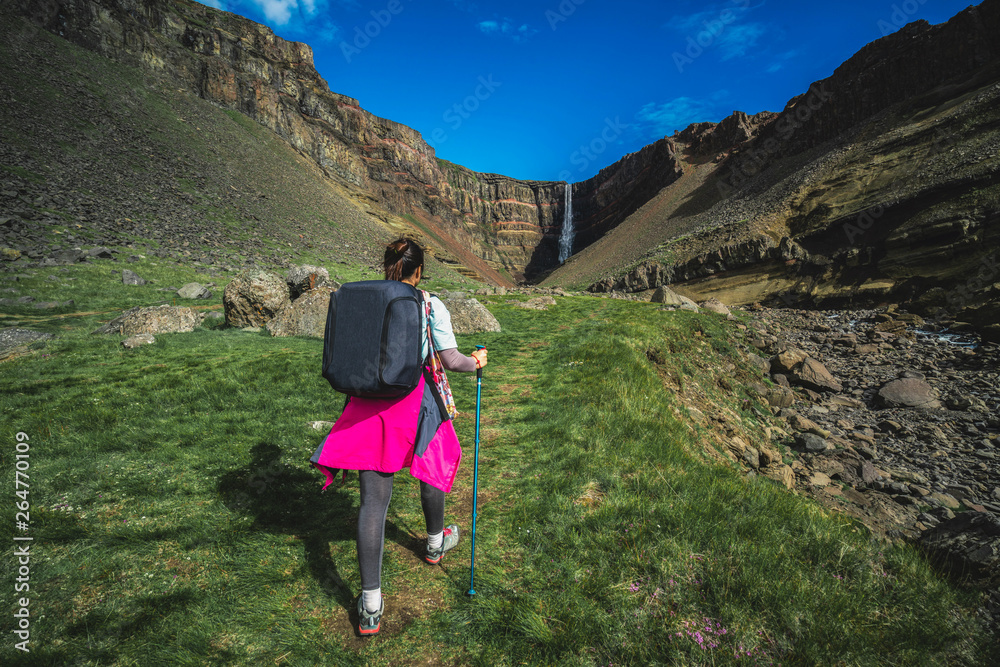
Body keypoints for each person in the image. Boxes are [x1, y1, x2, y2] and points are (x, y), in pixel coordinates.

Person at [310, 238, 488, 637]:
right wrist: (476, 361)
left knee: (373, 502)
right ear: (418, 270)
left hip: (365, 404)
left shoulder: (363, 297)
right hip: (413, 400)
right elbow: (449, 360)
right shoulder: (429, 303)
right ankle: (434, 543)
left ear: (387, 265)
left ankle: (370, 604)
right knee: (431, 471)